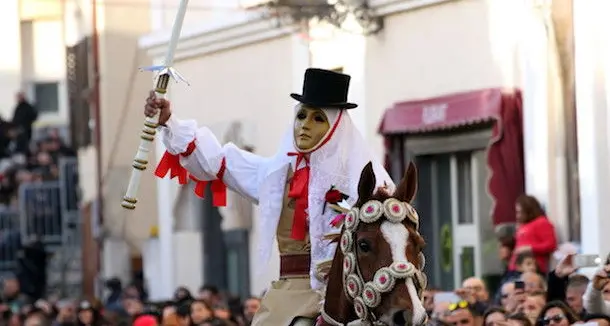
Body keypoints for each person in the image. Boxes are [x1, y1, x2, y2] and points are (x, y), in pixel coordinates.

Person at [144, 68, 393, 325]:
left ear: (336, 128)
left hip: (349, 294)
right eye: (302, 116)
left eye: (318, 119)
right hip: (289, 296)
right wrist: (170, 121)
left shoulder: (364, 181)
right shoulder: (275, 176)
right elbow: (216, 161)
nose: (305, 126)